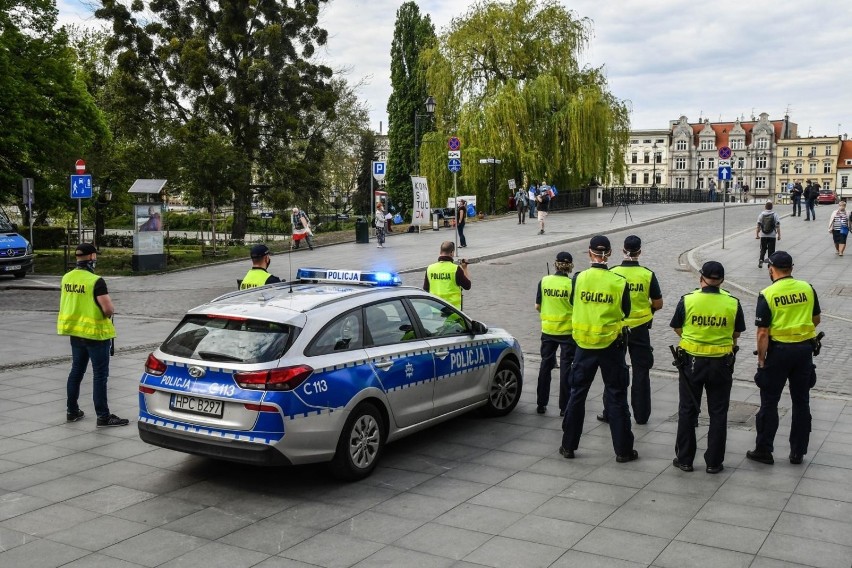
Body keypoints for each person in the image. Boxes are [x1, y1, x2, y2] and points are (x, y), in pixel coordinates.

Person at [559, 235, 637, 463]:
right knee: (617, 395)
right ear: (610, 254)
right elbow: (626, 312)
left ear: (589, 252)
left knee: (577, 394)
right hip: (611, 344)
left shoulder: (579, 278)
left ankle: (568, 446)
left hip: (583, 344)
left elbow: (573, 303)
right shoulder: (619, 281)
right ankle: (623, 451)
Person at [670, 261, 746, 474]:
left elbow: (677, 326)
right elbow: (737, 333)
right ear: (722, 280)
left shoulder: (688, 300)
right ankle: (714, 462)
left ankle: (685, 459)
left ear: (701, 277)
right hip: (721, 363)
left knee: (687, 410)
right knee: (719, 413)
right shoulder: (732, 302)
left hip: (691, 362)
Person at [747, 251, 821, 466]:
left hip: (778, 353)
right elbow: (816, 319)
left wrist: (761, 361)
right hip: (804, 351)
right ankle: (797, 452)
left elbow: (762, 332)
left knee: (770, 402)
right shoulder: (807, 288)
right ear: (792, 268)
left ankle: (764, 450)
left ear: (771, 269)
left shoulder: (768, 293)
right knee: (801, 401)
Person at [57, 243, 129, 427]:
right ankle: (103, 417)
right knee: (99, 376)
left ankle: (72, 412)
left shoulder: (66, 278)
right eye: (95, 255)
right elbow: (107, 309)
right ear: (91, 257)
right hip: (96, 335)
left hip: (76, 333)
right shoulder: (96, 280)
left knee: (76, 372)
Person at [599, 235, 663, 425]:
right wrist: (648, 311)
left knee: (615, 371)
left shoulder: (613, 272)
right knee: (641, 372)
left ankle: (610, 411)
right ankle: (641, 415)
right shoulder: (647, 274)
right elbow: (658, 303)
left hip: (617, 329)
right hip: (640, 329)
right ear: (640, 252)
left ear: (622, 250)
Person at [535, 251, 575, 416]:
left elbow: (537, 306)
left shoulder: (544, 281)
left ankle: (541, 403)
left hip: (548, 331)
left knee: (545, 365)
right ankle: (564, 407)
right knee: (566, 368)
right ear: (570, 266)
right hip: (567, 332)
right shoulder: (572, 284)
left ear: (555, 264)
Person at [423, 241, 471, 310]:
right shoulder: (455, 269)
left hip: (435, 309)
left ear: (440, 252)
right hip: (453, 310)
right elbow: (467, 286)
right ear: (452, 253)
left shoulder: (430, 268)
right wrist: (465, 268)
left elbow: (426, 289)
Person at [756, 201, 781, 268]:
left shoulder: (761, 214)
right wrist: (779, 235)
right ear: (772, 207)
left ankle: (761, 260)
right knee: (771, 250)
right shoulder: (775, 214)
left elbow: (758, 225)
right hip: (772, 235)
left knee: (763, 249)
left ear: (765, 207)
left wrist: (757, 234)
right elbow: (777, 226)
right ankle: (770, 264)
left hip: (763, 235)